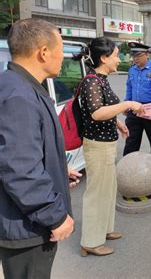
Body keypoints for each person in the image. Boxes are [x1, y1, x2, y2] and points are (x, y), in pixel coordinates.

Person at [0, 19, 75, 278]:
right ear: (44, 52)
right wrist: (55, 216)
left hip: (25, 221)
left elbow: (21, 152)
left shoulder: (18, 86)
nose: (63, 57)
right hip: (27, 229)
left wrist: (58, 171)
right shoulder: (19, 96)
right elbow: (20, 170)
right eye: (62, 48)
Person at [78, 37, 144, 257]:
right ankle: (90, 241)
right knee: (96, 193)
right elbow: (96, 113)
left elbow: (105, 108)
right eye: (116, 55)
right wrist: (126, 105)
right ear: (104, 58)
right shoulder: (92, 81)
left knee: (108, 189)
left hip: (106, 142)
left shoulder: (101, 79)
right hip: (97, 146)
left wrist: (118, 123)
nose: (119, 59)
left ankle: (104, 230)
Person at [123, 42, 151, 163]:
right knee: (131, 141)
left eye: (138, 55)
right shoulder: (132, 70)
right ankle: (128, 165)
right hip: (134, 110)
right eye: (133, 56)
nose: (135, 58)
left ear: (147, 54)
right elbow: (129, 87)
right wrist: (126, 104)